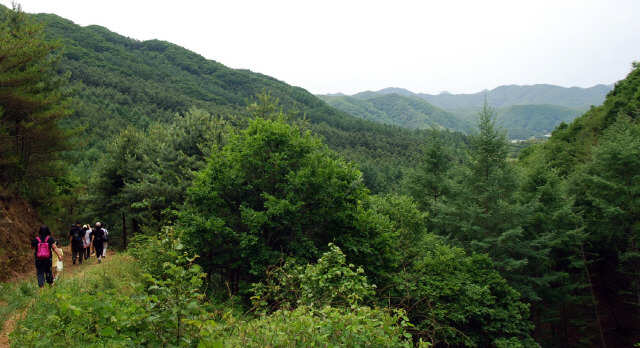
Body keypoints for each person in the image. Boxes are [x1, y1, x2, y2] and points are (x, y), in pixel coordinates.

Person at [32, 225, 63, 289]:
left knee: (40, 273)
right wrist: (59, 255)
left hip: (39, 259)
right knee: (48, 272)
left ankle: (41, 288)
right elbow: (55, 248)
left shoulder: (36, 239)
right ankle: (51, 285)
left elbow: (32, 247)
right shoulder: (50, 239)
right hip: (48, 259)